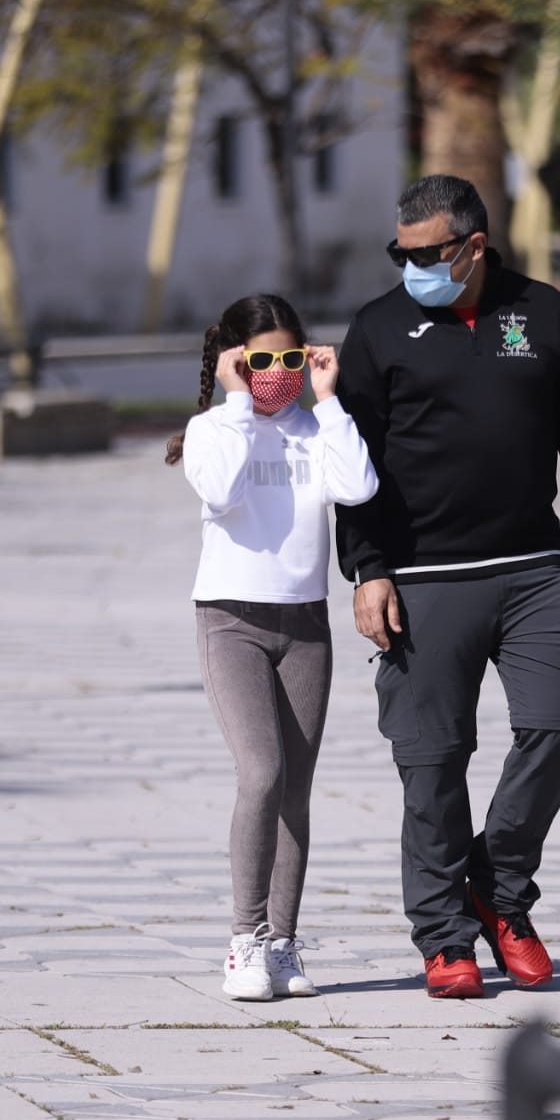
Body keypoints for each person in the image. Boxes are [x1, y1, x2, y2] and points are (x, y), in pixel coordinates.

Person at [333, 175, 560, 999]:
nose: (411, 267)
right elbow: (349, 464)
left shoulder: (541, 312)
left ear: (473, 246)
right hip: (421, 577)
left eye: (427, 253)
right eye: (399, 253)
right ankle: (444, 936)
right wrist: (367, 570)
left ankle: (499, 889)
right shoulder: (376, 328)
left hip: (531, 566)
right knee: (432, 760)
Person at [166, 295, 378, 1001]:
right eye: (263, 360)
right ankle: (243, 941)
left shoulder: (314, 428)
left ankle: (283, 944)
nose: (278, 373)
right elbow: (221, 490)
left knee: (295, 786)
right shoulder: (211, 431)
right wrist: (234, 403)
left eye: (292, 358)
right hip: (231, 620)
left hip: (305, 625)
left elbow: (360, 484)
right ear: (234, 359)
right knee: (260, 771)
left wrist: (328, 398)